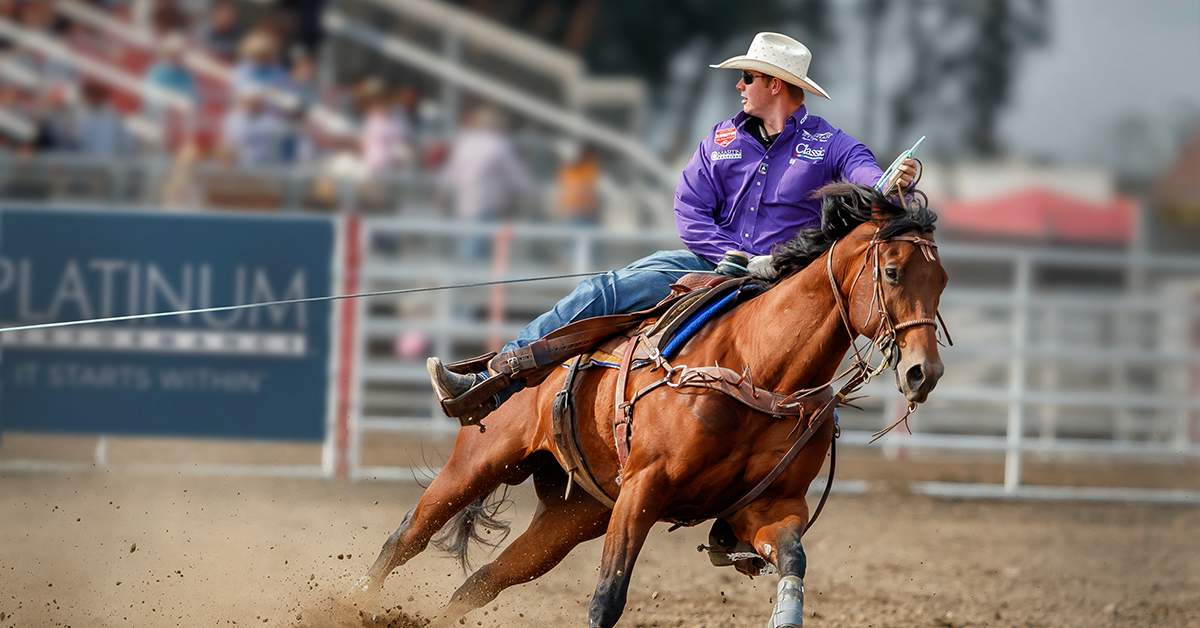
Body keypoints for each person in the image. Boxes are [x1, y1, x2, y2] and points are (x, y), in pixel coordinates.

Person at [427, 32, 917, 423]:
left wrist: (895, 185)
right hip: (710, 264)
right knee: (606, 291)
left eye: (747, 76)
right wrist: (739, 256)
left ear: (775, 85)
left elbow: (872, 180)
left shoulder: (829, 144)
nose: (739, 86)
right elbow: (689, 210)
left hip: (786, 285)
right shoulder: (720, 139)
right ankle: (498, 378)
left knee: (808, 388)